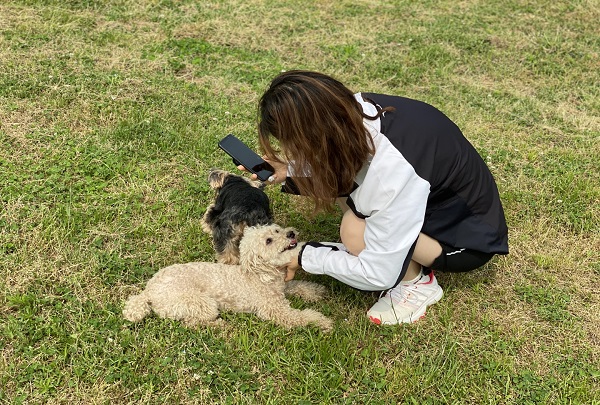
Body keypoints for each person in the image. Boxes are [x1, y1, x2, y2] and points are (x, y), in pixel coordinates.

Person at [240, 70, 508, 325]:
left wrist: (304, 256)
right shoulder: (358, 110)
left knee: (354, 231)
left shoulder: (393, 168)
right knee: (351, 202)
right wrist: (290, 170)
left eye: (296, 145)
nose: (294, 151)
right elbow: (344, 161)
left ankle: (416, 284)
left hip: (464, 239)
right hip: (445, 204)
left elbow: (378, 273)